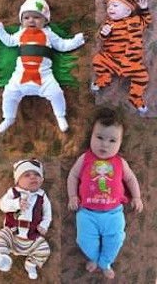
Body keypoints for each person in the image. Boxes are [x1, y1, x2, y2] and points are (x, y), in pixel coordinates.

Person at [67, 107, 144, 279]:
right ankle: (94, 257)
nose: (104, 144)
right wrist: (72, 196)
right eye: (99, 137)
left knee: (116, 239)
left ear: (120, 143)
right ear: (91, 136)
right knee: (84, 240)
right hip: (87, 212)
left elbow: (131, 179)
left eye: (112, 140)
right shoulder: (85, 158)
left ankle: (105, 262)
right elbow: (73, 175)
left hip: (113, 213)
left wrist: (137, 197)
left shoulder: (120, 162)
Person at [0, 0, 85, 133]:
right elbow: (8, 41)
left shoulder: (49, 34)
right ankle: (8, 118)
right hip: (20, 77)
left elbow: (63, 45)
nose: (31, 20)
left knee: (57, 93)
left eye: (36, 17)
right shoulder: (20, 33)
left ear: (45, 20)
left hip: (44, 78)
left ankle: (60, 116)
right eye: (26, 18)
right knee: (8, 94)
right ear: (21, 21)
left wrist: (78, 39)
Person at [92, 0, 151, 114]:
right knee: (98, 59)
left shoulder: (137, 21)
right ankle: (104, 77)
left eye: (115, 5)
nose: (110, 9)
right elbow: (103, 37)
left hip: (133, 63)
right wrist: (105, 33)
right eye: (108, 6)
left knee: (143, 76)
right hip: (112, 59)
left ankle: (135, 97)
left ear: (128, 10)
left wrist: (144, 9)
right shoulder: (109, 24)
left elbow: (147, 21)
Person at [0, 159, 52, 280]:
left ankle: (31, 264)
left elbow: (47, 214)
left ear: (42, 180)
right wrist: (16, 204)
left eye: (37, 174)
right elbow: (3, 205)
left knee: (45, 249)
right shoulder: (13, 192)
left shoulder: (42, 195)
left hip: (32, 237)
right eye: (27, 175)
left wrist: (44, 225)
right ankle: (1, 257)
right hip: (12, 234)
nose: (33, 177)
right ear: (17, 181)